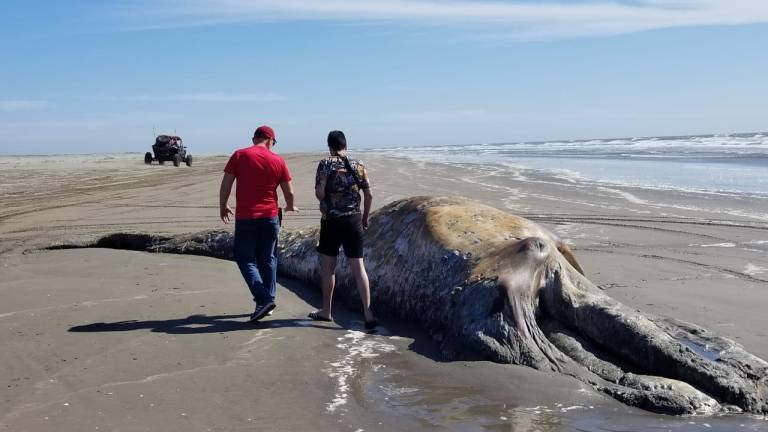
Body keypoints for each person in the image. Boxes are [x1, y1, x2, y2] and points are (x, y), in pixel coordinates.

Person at [219, 125, 298, 322]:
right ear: (270, 140)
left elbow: (226, 183)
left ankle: (263, 299)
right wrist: (290, 206)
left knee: (245, 258)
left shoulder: (239, 155)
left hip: (246, 217)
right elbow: (290, 192)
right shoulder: (278, 160)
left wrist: (223, 205)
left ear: (255, 138)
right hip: (270, 217)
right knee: (268, 258)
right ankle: (268, 301)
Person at [309, 130, 376, 329]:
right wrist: (364, 217)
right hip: (353, 220)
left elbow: (320, 195)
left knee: (329, 268)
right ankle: (368, 312)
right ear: (345, 144)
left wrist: (323, 190)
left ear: (330, 146)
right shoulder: (359, 164)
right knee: (359, 268)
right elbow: (369, 195)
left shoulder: (325, 164)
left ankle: (326, 311)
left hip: (331, 221)